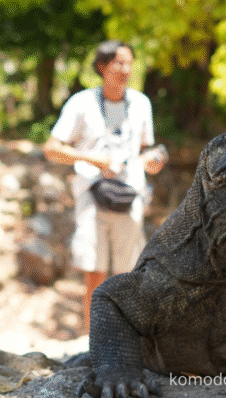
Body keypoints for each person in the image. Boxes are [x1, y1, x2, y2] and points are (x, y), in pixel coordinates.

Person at [43, 40, 165, 333]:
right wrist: (92, 159)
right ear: (102, 67)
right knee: (94, 275)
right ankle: (92, 344)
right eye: (118, 63)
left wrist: (153, 160)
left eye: (129, 63)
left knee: (129, 274)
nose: (126, 69)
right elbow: (51, 148)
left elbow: (147, 149)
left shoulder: (141, 103)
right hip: (92, 195)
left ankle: (128, 342)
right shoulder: (81, 103)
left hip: (130, 195)